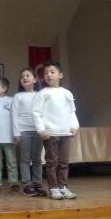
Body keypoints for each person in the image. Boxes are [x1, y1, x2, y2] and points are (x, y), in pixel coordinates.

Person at [32, 61, 79, 200]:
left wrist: (74, 126)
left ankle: (63, 187)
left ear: (60, 75)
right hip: (50, 133)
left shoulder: (67, 93)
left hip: (65, 133)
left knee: (64, 162)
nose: (49, 75)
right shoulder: (42, 93)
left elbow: (72, 112)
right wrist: (41, 130)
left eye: (52, 72)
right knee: (52, 162)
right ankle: (53, 188)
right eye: (46, 73)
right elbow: (36, 113)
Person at [12, 69, 46, 197]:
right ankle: (27, 184)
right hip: (23, 130)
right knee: (25, 158)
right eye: (22, 76)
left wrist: (44, 129)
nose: (24, 78)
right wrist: (16, 132)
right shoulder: (18, 96)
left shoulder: (40, 94)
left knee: (37, 158)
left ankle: (37, 183)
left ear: (35, 79)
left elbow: (44, 112)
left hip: (38, 130)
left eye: (27, 75)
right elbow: (14, 115)